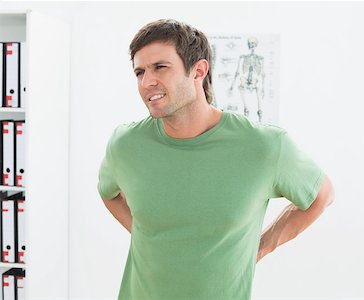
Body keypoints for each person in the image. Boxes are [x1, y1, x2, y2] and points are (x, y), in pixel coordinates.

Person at [97, 19, 335, 300]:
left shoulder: (264, 146)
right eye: (139, 72)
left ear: (198, 70)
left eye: (160, 67)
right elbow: (108, 193)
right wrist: (146, 234)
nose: (147, 82)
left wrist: (261, 248)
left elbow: (321, 195)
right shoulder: (125, 145)